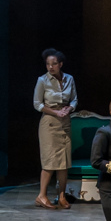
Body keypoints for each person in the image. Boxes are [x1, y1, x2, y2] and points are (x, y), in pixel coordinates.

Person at [33, 48, 77, 209]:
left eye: (54, 64)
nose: (50, 67)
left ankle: (62, 196)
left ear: (60, 64)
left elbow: (74, 99)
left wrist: (69, 109)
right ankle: (41, 196)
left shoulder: (69, 79)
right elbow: (37, 104)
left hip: (64, 122)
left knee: (64, 162)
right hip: (49, 123)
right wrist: (55, 111)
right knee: (50, 161)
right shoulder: (42, 80)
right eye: (48, 64)